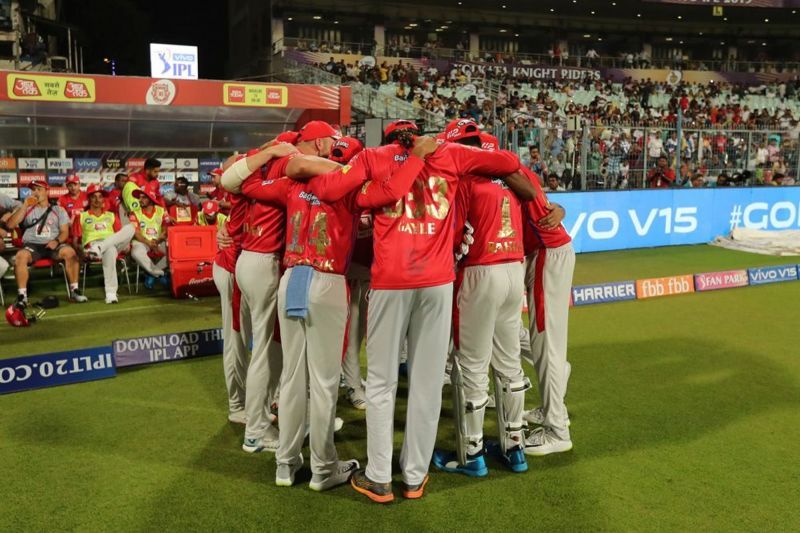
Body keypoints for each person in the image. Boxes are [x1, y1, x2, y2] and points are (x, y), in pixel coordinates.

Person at [306, 120, 532, 503]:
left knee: (380, 382)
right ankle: (414, 477)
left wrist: (366, 192)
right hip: (438, 283)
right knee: (427, 382)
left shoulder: (374, 157)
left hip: (391, 282)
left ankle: (379, 478)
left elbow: (327, 190)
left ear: (390, 136)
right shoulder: (451, 155)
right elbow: (508, 160)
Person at [241, 134, 437, 492]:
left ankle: (285, 465)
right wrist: (416, 158)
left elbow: (247, 182)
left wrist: (271, 151)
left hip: (292, 276)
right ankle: (323, 468)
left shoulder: (292, 185)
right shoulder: (354, 188)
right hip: (328, 281)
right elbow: (392, 193)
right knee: (325, 382)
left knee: (291, 378)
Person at [220, 121, 338, 454]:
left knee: (265, 348)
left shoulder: (259, 174)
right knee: (263, 352)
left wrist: (268, 152)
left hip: (250, 258)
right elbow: (228, 175)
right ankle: (254, 429)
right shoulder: (288, 169)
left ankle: (264, 413)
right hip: (263, 261)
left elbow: (230, 178)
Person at [431, 122, 530, 477]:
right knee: (510, 363)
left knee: (472, 365)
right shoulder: (508, 177)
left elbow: (454, 232)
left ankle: (471, 455)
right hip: (512, 268)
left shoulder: (463, 178)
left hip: (480, 271)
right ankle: (513, 447)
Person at [517, 166, 573, 456]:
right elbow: (541, 197)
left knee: (545, 342)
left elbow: (536, 194)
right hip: (541, 253)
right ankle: (552, 396)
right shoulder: (511, 171)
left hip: (546, 253)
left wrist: (559, 208)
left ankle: (557, 429)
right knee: (524, 336)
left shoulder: (505, 172)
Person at [6, 180, 88, 305]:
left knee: (70, 252)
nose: (35, 193)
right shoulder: (25, 208)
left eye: (39, 189)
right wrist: (24, 206)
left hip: (53, 243)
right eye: (33, 190)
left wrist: (56, 241)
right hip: (32, 244)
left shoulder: (58, 210)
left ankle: (74, 291)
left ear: (47, 192)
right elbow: (10, 225)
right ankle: (22, 297)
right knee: (20, 256)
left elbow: (64, 232)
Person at [72, 184, 135, 304]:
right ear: (89, 199)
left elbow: (119, 235)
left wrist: (126, 245)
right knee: (110, 250)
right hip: (92, 249)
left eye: (100, 197)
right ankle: (111, 294)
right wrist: (81, 254)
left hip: (112, 244)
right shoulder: (81, 216)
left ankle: (101, 247)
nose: (97, 200)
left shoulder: (111, 215)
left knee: (131, 228)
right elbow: (75, 242)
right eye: (94, 197)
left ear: (103, 199)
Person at [129, 188, 170, 289]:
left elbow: (166, 230)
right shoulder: (135, 213)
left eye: (144, 197)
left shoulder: (162, 211)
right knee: (136, 252)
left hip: (159, 241)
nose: (140, 200)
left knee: (174, 250)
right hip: (142, 242)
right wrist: (149, 243)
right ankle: (159, 273)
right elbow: (136, 234)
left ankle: (151, 274)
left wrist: (157, 241)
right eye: (140, 197)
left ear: (151, 199)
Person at [0, 192, 22, 281]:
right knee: (3, 265)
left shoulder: (1, 197)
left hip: (4, 238)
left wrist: (9, 213)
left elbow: (19, 205)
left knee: (16, 260)